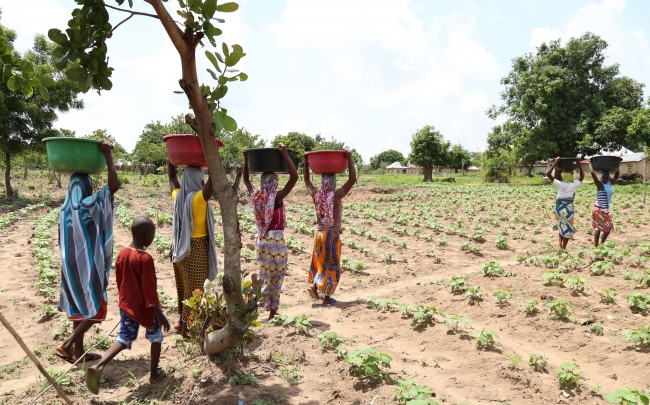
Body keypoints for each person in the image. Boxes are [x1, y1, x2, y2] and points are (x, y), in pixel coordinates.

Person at [85, 217, 171, 395]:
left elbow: (120, 279)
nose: (152, 239)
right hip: (144, 308)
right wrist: (159, 312)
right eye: (152, 236)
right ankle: (154, 374)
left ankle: (100, 366)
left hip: (126, 305)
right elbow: (149, 290)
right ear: (147, 236)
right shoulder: (145, 258)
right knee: (156, 337)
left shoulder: (123, 252)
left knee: (124, 338)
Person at [56, 140, 119, 364]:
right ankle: (66, 344)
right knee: (95, 305)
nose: (91, 190)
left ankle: (77, 354)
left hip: (69, 266)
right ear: (83, 188)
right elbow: (114, 186)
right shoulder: (85, 207)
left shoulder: (63, 211)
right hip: (87, 264)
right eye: (89, 186)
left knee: (78, 304)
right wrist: (108, 155)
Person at [242, 144, 298, 320]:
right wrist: (284, 155)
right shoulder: (276, 197)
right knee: (277, 277)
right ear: (274, 182)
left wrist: (246, 160)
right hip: (276, 243)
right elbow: (294, 177)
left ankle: (256, 303)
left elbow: (246, 181)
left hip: (261, 243)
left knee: (265, 276)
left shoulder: (256, 196)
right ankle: (269, 310)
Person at [168, 162, 219, 338]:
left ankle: (180, 322)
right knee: (194, 291)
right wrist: (213, 157)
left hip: (179, 249)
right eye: (202, 180)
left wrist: (171, 160)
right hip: (196, 249)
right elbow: (213, 182)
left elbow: (172, 178)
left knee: (183, 287)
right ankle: (185, 329)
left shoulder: (178, 196)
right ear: (199, 181)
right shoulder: (197, 200)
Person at [304, 150, 356, 305]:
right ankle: (326, 298)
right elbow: (352, 179)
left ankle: (314, 287)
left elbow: (306, 181)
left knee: (319, 261)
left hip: (318, 234)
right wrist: (350, 159)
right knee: (331, 265)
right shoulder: (335, 195)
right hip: (331, 235)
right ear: (333, 183)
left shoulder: (316, 195)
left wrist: (306, 163)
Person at [547, 157, 584, 250]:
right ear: (571, 176)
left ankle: (560, 246)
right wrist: (579, 164)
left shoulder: (560, 184)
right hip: (568, 208)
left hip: (559, 208)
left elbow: (548, 174)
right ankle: (563, 247)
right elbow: (582, 177)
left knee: (561, 225)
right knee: (568, 227)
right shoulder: (573, 185)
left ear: (563, 176)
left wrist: (555, 163)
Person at [589, 159, 620, 246]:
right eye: (604, 177)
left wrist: (618, 165)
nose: (606, 179)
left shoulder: (609, 184)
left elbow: (617, 176)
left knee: (599, 228)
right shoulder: (600, 185)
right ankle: (600, 244)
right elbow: (592, 173)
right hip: (599, 210)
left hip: (602, 209)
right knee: (608, 227)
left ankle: (598, 245)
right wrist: (590, 163)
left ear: (609, 178)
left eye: (607, 177)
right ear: (601, 178)